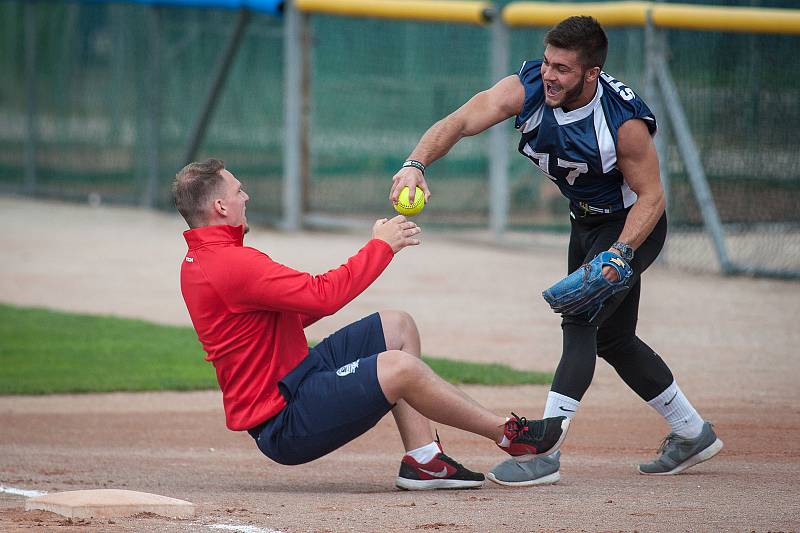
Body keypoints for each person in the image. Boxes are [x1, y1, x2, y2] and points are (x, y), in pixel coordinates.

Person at [389, 16, 722, 486]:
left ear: (591, 74)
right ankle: (692, 432)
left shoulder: (620, 123)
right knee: (615, 340)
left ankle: (541, 451)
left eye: (563, 68)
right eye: (547, 62)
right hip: (584, 222)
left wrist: (620, 255)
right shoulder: (526, 87)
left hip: (628, 228)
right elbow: (462, 120)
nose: (549, 74)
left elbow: (652, 197)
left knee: (580, 322)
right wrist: (415, 163)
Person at [173, 158, 568, 491]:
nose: (246, 196)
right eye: (238, 191)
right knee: (400, 369)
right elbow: (322, 296)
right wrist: (381, 246)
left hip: (296, 379)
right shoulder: (230, 263)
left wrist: (375, 252)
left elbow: (296, 311)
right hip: (284, 420)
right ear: (221, 206)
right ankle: (511, 435)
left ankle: (424, 459)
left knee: (396, 326)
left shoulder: (207, 259)